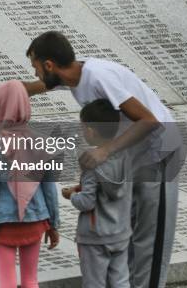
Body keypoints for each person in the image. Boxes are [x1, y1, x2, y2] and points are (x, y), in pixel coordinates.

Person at [0, 31, 181, 288]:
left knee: (149, 238)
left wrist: (105, 151)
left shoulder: (98, 76)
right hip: (131, 154)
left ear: (49, 65)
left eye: (35, 66)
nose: (35, 73)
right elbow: (27, 89)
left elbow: (150, 120)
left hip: (159, 153)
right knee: (127, 231)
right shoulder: (73, 74)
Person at [0, 80, 60, 288]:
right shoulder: (41, 143)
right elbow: (49, 188)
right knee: (31, 280)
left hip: (4, 223)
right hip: (35, 220)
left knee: (6, 281)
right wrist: (54, 224)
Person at [62, 99, 132, 288]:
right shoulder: (125, 157)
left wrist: (72, 195)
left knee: (94, 282)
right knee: (120, 280)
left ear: (91, 131)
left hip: (96, 236)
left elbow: (87, 203)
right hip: (121, 231)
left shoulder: (91, 165)